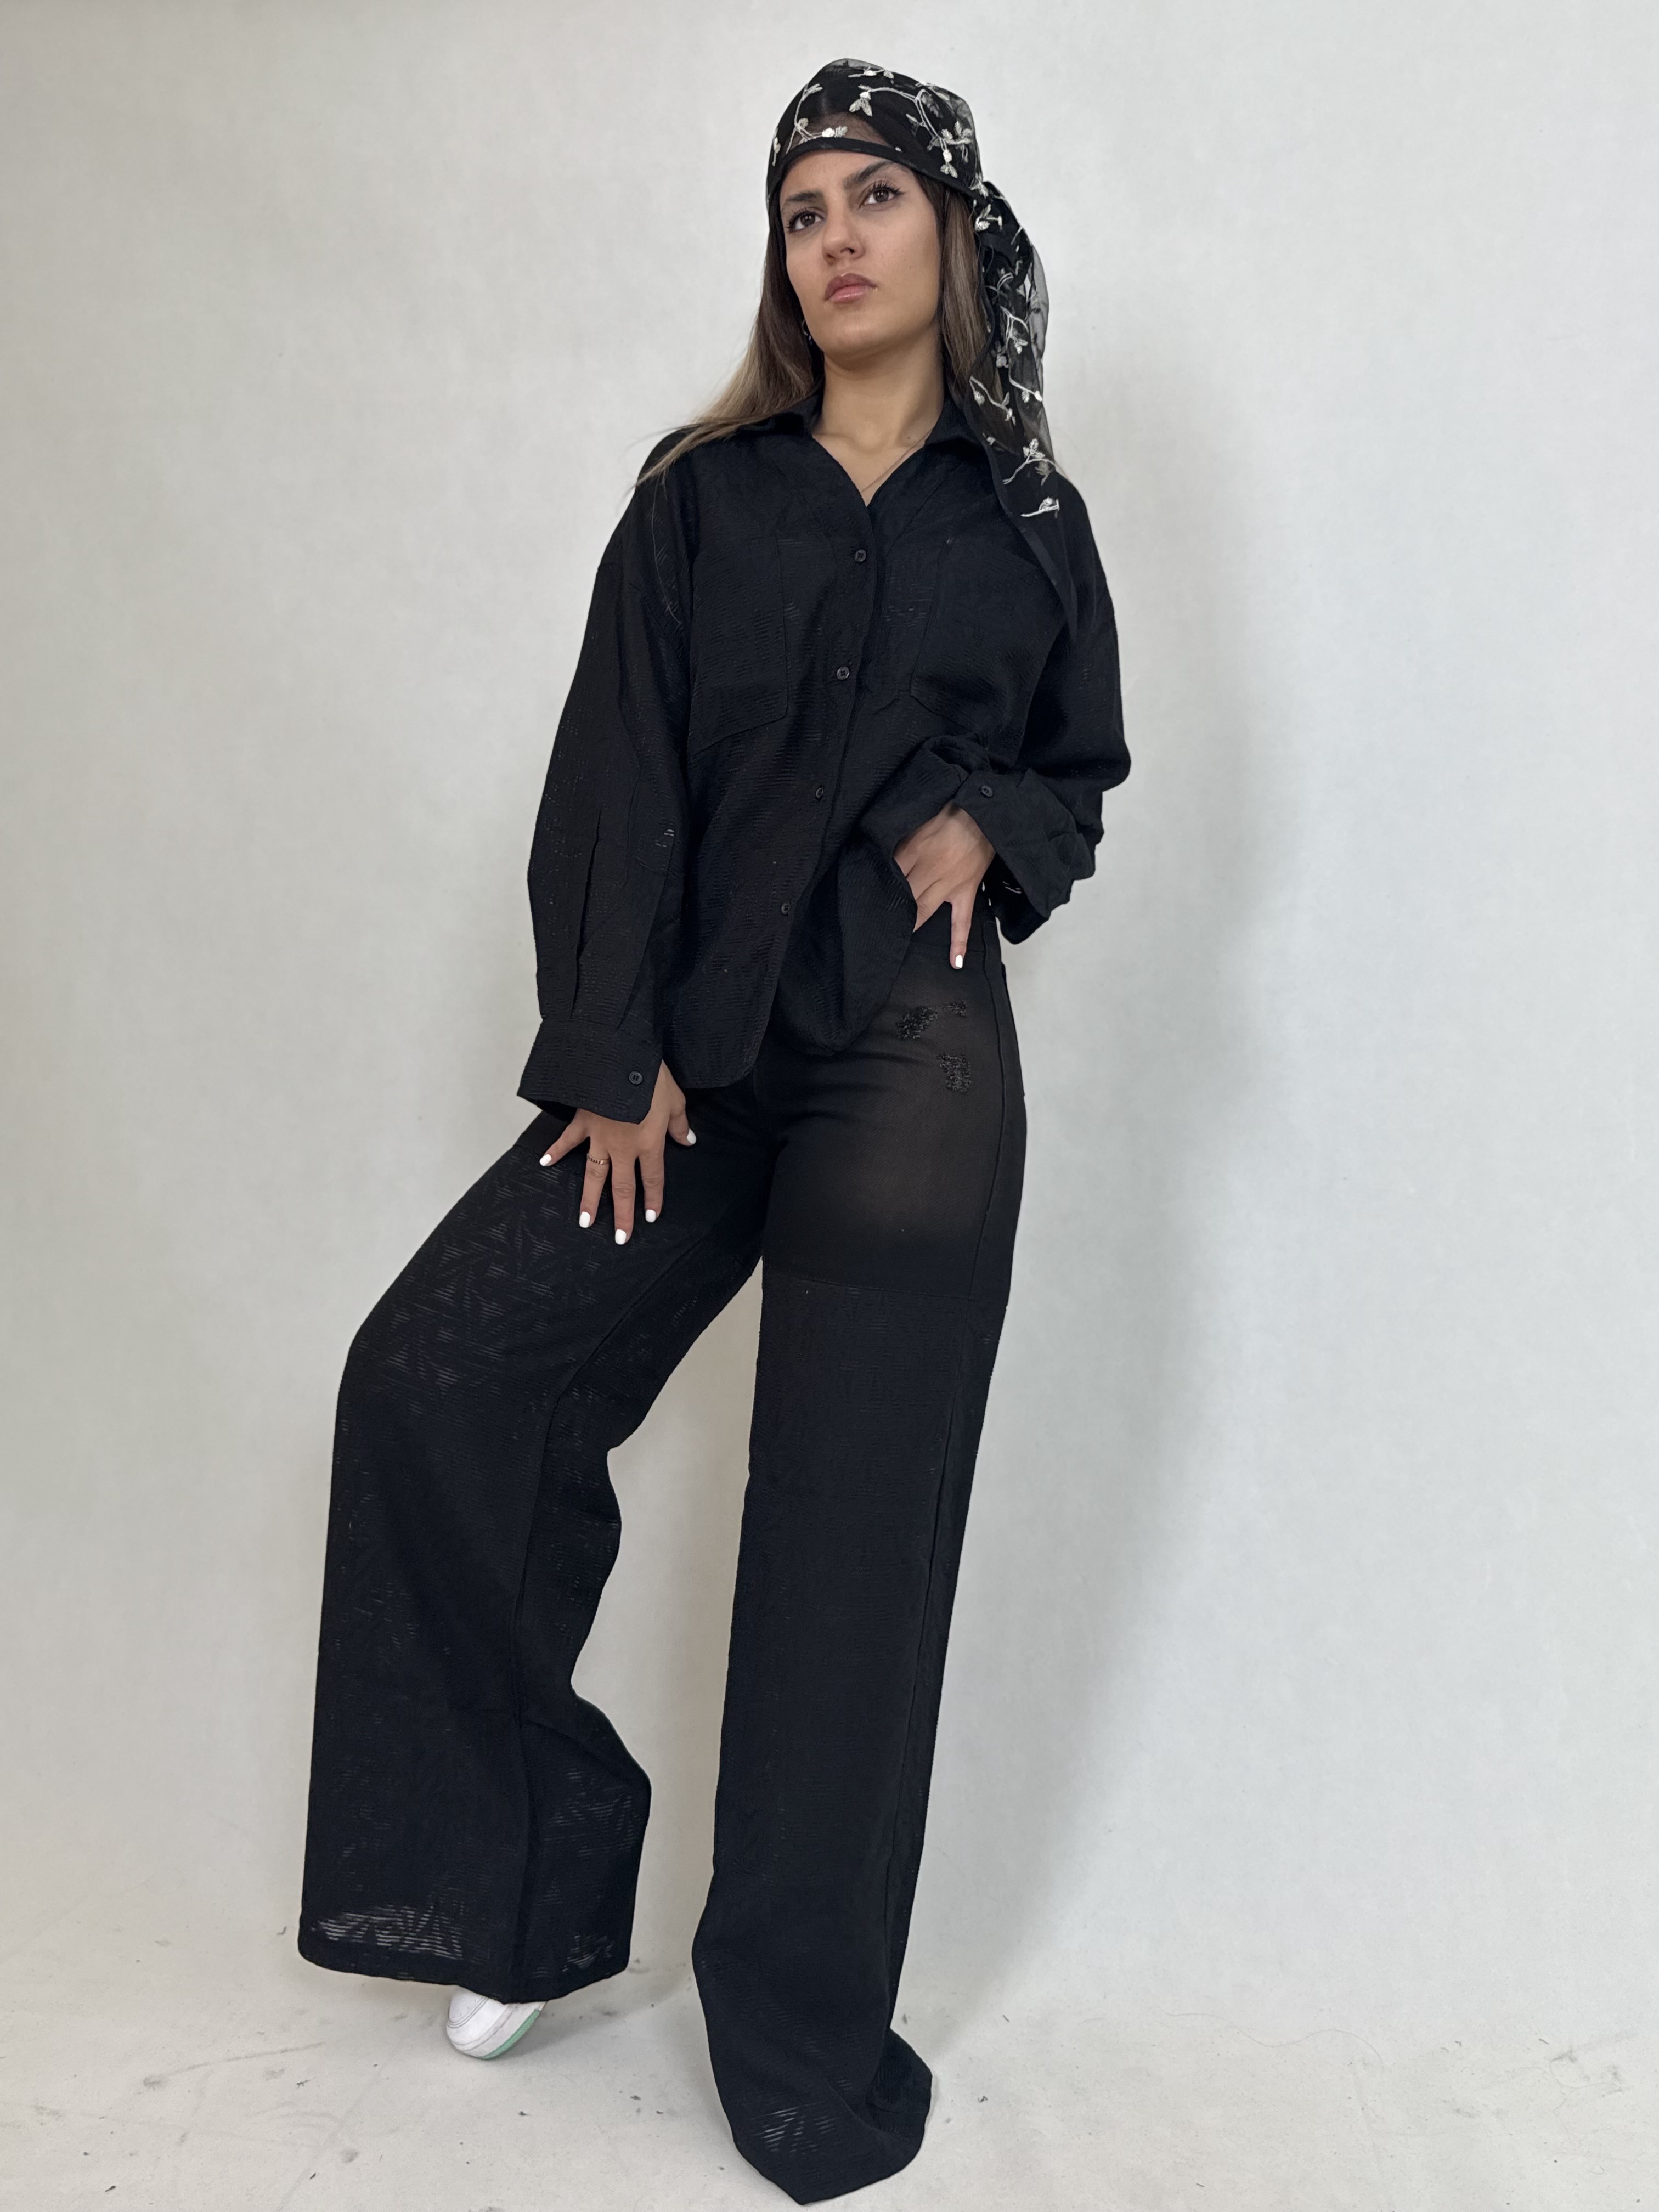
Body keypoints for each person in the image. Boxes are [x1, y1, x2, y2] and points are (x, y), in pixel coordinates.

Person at [296, 55, 1128, 2206]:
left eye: (874, 197)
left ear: (954, 230)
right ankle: (516, 1887)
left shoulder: (1031, 524)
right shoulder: (700, 500)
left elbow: (1081, 768)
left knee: (852, 1536)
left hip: (909, 1057)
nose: (835, 237)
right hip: (688, 1063)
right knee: (436, 1377)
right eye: (800, 208)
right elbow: (616, 770)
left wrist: (995, 820)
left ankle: (800, 2040)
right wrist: (610, 1041)